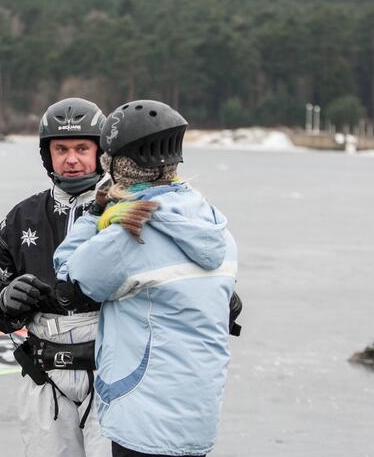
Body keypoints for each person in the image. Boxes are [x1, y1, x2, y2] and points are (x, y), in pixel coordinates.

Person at [53, 100, 239, 457]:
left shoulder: (129, 234)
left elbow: (69, 274)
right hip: (198, 413)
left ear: (117, 165)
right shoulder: (215, 226)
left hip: (144, 414)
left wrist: (96, 212)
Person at [0, 98, 111, 457]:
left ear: (101, 151)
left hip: (112, 373)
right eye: (61, 149)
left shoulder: (125, 212)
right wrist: (4, 297)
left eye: (82, 148)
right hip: (44, 374)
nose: (72, 159)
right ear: (46, 155)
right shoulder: (23, 217)